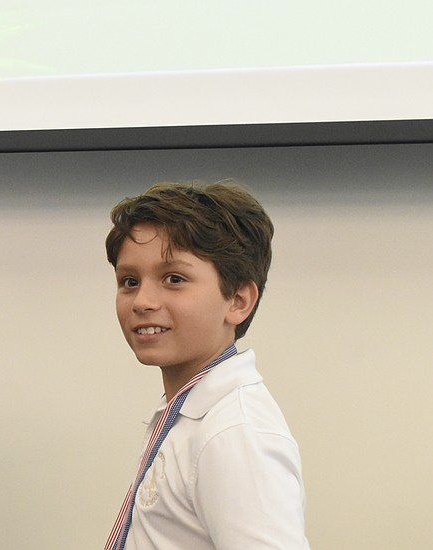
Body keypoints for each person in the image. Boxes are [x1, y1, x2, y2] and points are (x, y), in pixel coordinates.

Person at [103, 182, 308, 549]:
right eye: (129, 281)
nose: (143, 301)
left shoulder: (234, 432)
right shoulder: (192, 411)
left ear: (239, 301)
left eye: (174, 279)